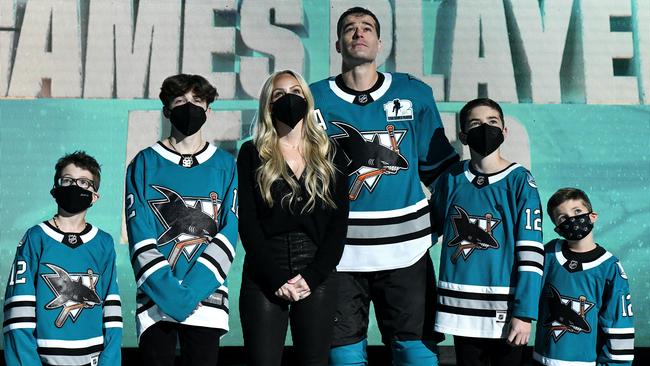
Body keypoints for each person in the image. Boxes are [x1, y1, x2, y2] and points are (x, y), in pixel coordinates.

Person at [309, 7, 459, 365]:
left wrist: (433, 227)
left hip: (405, 251)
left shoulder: (414, 93)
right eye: (350, 29)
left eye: (367, 28)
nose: (358, 34)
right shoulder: (314, 99)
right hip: (341, 254)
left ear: (380, 42)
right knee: (343, 356)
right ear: (338, 43)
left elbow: (441, 173)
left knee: (415, 352)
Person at [237, 69, 349, 366]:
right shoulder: (251, 153)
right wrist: (275, 277)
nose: (289, 99)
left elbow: (338, 226)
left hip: (316, 271)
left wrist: (312, 277)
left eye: (296, 92)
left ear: (307, 100)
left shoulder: (331, 153)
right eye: (279, 95)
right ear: (268, 105)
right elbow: (247, 223)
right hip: (264, 272)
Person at [125, 74, 238, 365]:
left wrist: (192, 293)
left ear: (209, 110)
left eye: (197, 101)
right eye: (180, 101)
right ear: (166, 110)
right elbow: (140, 233)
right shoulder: (144, 162)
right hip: (155, 301)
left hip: (207, 299)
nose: (189, 107)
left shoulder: (226, 165)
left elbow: (229, 230)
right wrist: (170, 294)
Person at [430, 98, 544, 366]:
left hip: (505, 309)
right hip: (461, 307)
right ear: (463, 136)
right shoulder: (452, 178)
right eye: (476, 123)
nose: (485, 128)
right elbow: (427, 231)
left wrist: (525, 312)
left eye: (492, 123)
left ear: (504, 132)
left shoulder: (520, 181)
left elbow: (531, 253)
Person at [3, 151, 122, 366]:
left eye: (84, 183)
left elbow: (112, 311)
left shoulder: (104, 242)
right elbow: (18, 314)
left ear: (95, 196)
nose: (75, 187)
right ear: (55, 190)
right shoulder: (35, 238)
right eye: (67, 180)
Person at [533, 188, 634, 365]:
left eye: (577, 211)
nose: (572, 219)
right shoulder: (547, 255)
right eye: (563, 218)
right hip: (542, 360)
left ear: (592, 216)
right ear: (557, 229)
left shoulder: (610, 268)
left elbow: (619, 323)